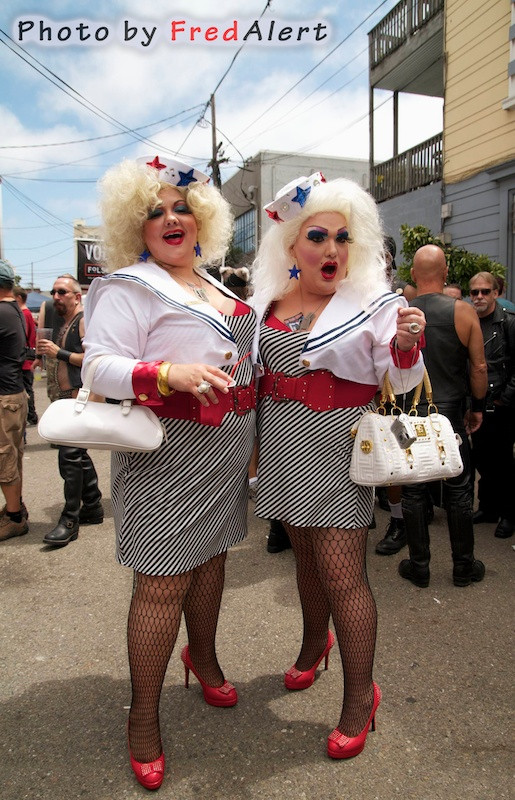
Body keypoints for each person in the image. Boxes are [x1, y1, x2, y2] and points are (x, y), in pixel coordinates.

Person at [82, 155, 257, 791]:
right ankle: (144, 714)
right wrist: (164, 373)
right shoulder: (128, 286)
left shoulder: (220, 286)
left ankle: (203, 658)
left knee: (212, 559)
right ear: (136, 225)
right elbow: (96, 368)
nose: (171, 218)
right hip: (166, 449)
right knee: (161, 587)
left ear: (202, 216)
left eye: (181, 206)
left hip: (227, 444)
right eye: (154, 211)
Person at [252, 174, 426, 759]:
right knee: (303, 559)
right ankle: (311, 647)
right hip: (281, 445)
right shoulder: (266, 304)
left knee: (343, 574)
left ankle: (360, 696)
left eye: (342, 238)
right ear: (291, 247)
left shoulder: (376, 303)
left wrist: (405, 345)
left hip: (338, 449)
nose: (331, 250)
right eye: (318, 237)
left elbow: (400, 381)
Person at [399, 245, 487, 587]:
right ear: (446, 272)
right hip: (449, 415)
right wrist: (477, 407)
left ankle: (419, 565)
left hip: (407, 416)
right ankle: (463, 566)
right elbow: (479, 366)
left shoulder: (400, 313)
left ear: (414, 275)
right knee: (459, 489)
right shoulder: (463, 312)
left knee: (413, 489)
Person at [36, 275, 103, 547]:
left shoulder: (84, 320)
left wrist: (57, 353)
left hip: (79, 398)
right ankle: (93, 506)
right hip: (66, 397)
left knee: (70, 458)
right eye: (53, 291)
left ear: (77, 296)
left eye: (62, 291)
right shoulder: (64, 322)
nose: (55, 296)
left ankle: (69, 519)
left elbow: (91, 359)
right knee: (77, 455)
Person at [469, 272, 515, 537]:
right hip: (478, 403)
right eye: (475, 292)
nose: (479, 297)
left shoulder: (508, 323)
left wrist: (505, 398)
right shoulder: (469, 321)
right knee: (482, 458)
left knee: (504, 462)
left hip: (503, 405)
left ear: (496, 293)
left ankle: (509, 514)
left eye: (485, 291)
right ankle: (488, 507)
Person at [0, 260, 29, 541]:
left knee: (5, 458)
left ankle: (14, 517)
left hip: (5, 396)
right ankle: (14, 508)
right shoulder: (14, 310)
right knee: (12, 456)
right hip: (14, 392)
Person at [13, 286, 38, 425]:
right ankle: (31, 415)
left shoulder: (24, 313)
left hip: (25, 360)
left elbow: (24, 336)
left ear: (18, 298)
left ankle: (31, 415)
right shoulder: (25, 313)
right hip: (27, 359)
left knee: (27, 389)